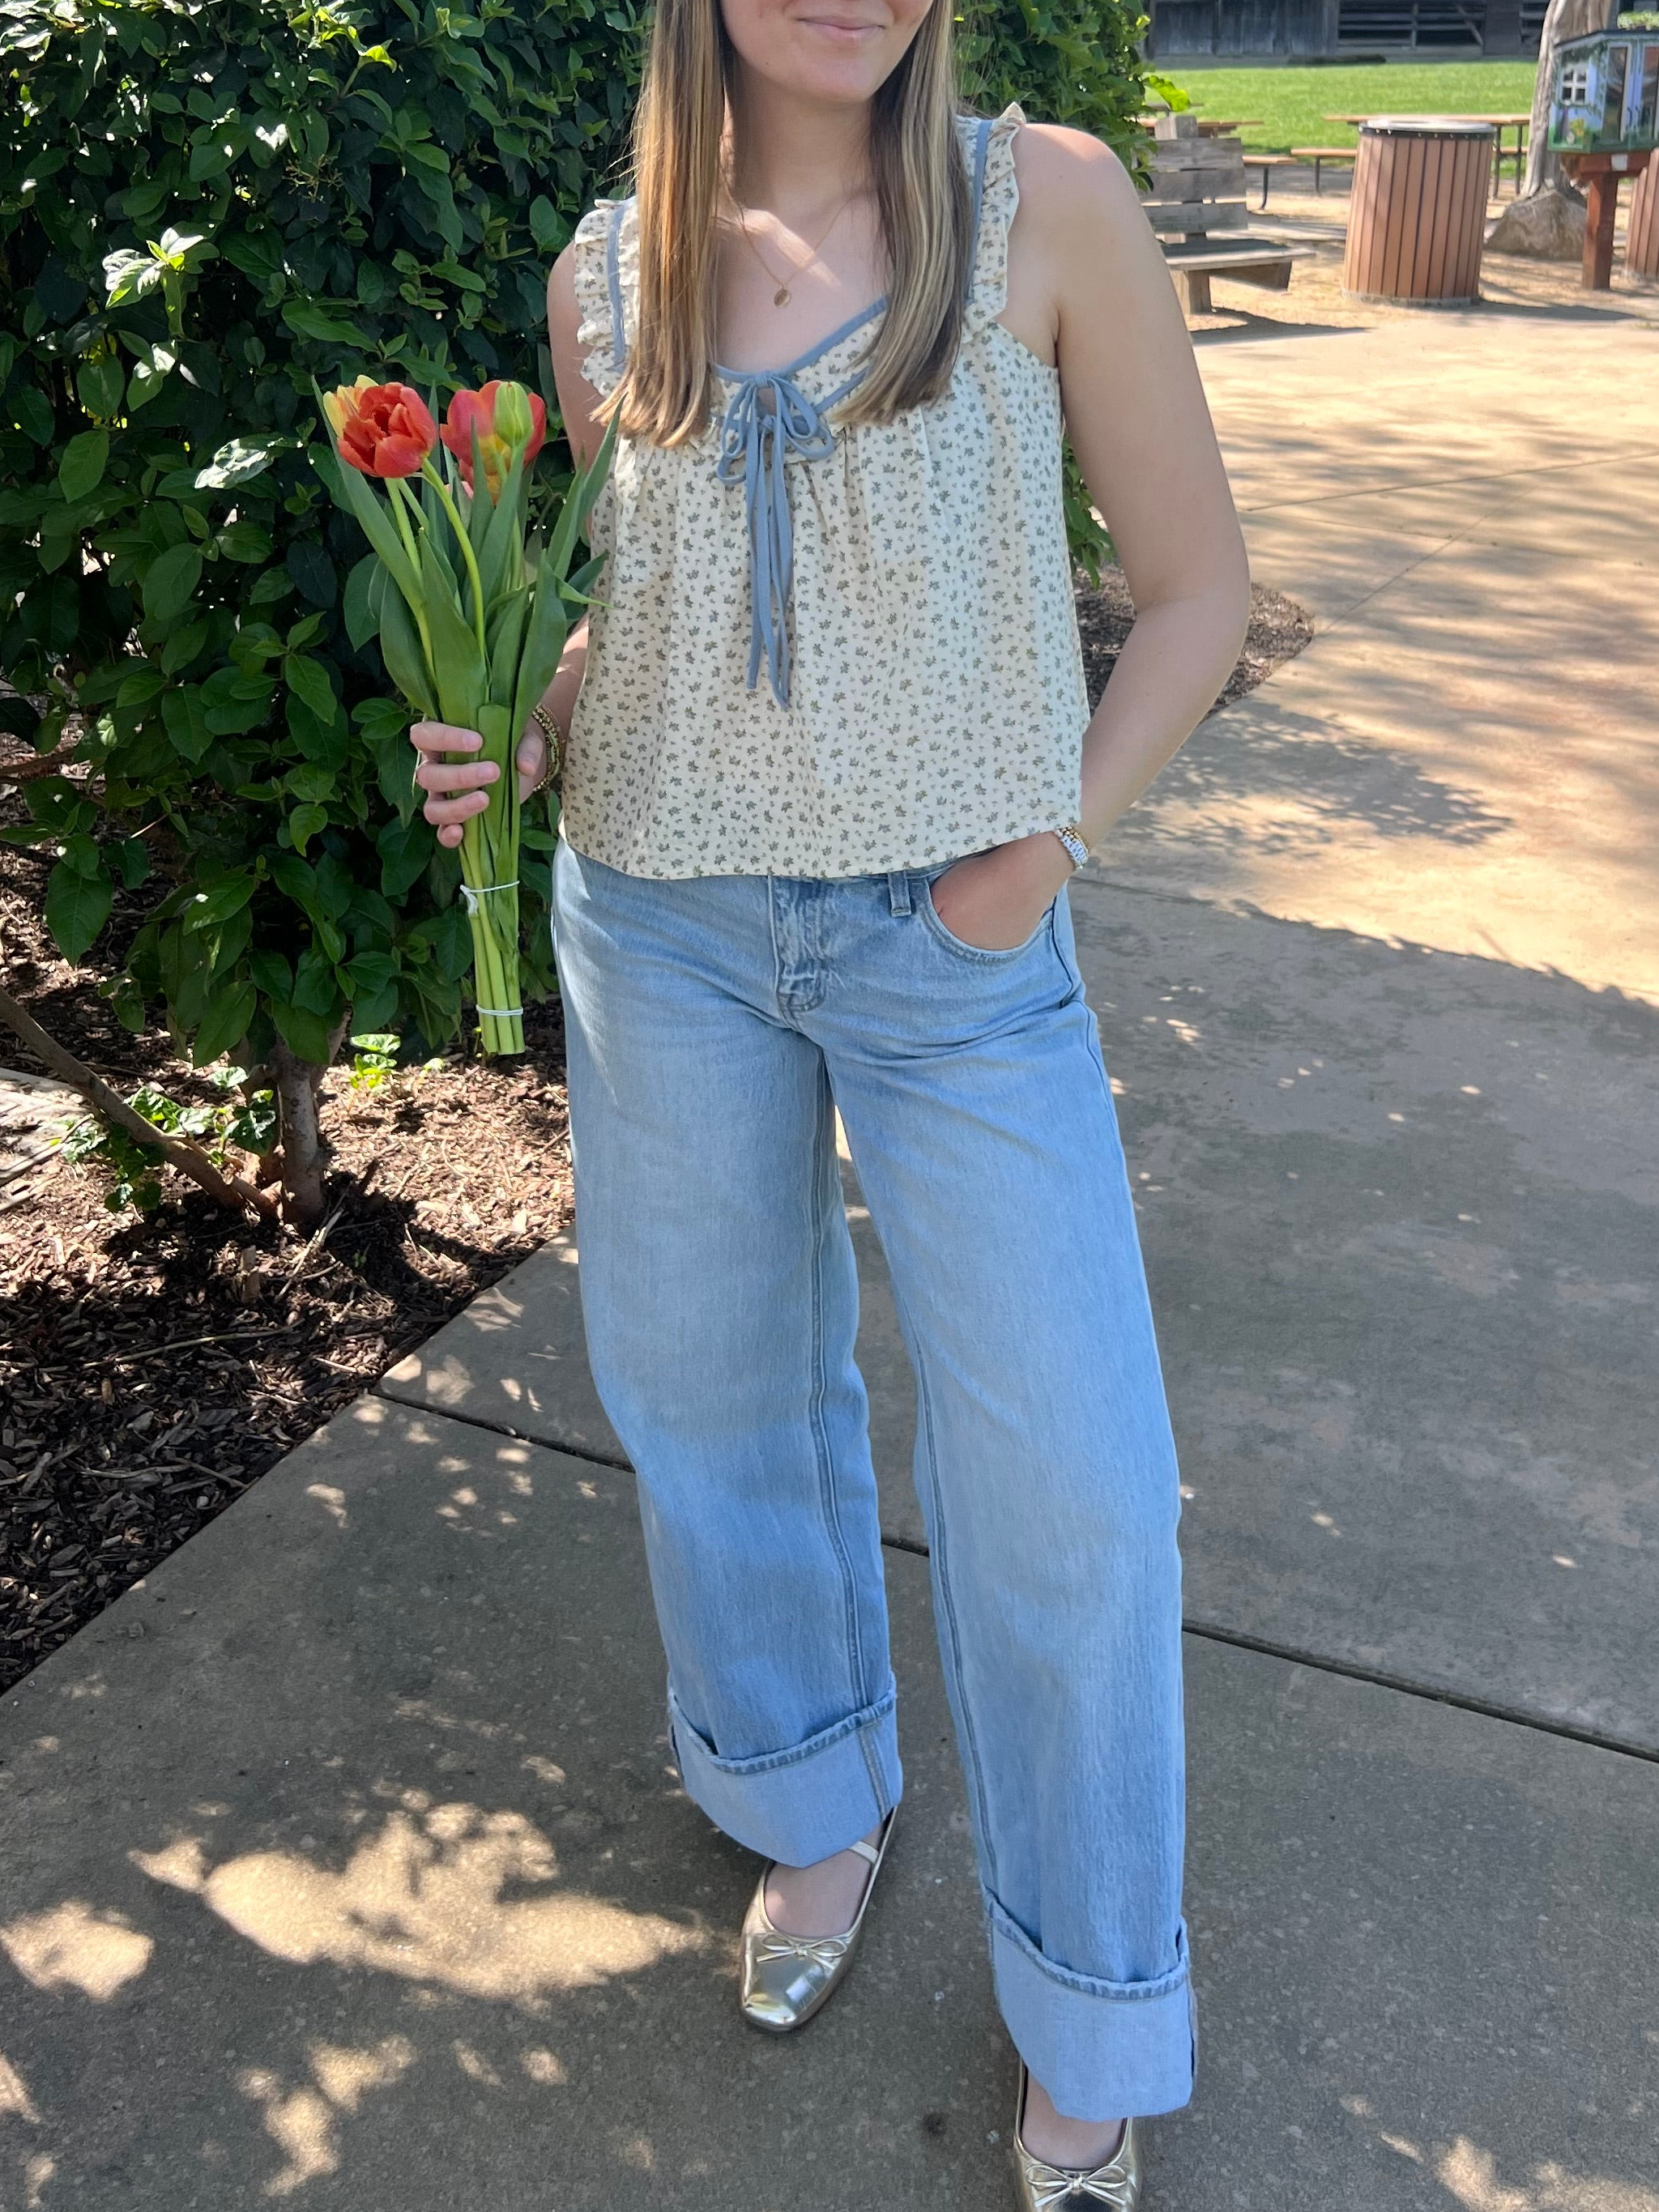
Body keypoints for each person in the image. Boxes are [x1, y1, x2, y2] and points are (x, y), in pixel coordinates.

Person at [410, 0, 1249, 2200]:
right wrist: (520, 724)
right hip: (659, 921)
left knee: (1075, 1484)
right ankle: (807, 1791)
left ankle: (1094, 2002)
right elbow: (639, 604)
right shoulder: (610, 272)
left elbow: (1200, 595)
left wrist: (1040, 850)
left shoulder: (1041, 206)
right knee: (709, 1396)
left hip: (953, 949)